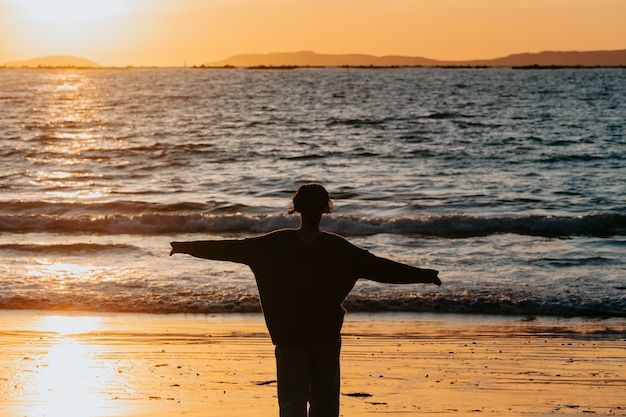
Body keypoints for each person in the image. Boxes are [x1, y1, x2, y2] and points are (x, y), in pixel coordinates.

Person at [170, 183, 441, 417]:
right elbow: (384, 269)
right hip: (324, 333)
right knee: (325, 400)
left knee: (291, 400)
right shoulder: (341, 250)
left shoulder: (270, 245)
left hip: (287, 334)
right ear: (326, 209)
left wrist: (187, 248)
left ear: (296, 208)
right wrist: (425, 275)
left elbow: (229, 248)